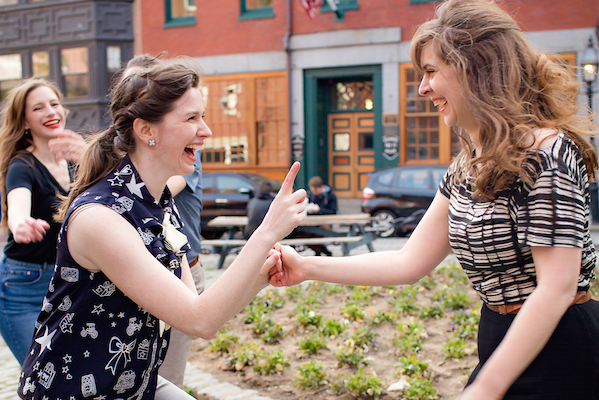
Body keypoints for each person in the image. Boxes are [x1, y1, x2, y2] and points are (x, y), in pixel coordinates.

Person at [269, 0, 599, 398]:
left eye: (430, 72)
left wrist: (487, 386)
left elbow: (557, 287)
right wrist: (307, 267)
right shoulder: (465, 165)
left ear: (475, 69)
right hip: (499, 334)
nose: (423, 88)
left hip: (561, 348)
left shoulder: (545, 151)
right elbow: (408, 262)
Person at [17, 58, 306, 399]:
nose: (206, 131)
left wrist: (263, 272)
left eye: (202, 116)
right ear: (146, 131)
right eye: (191, 118)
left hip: (131, 386)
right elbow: (200, 320)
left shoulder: (158, 201)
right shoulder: (99, 218)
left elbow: (195, 310)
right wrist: (267, 231)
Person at [123, 53, 205, 388]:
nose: (204, 131)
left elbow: (201, 319)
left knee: (164, 381)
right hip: (133, 276)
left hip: (182, 267)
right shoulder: (105, 202)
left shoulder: (180, 157)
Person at [0, 77, 86, 365]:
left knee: (71, 371)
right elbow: (17, 205)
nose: (50, 112)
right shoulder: (21, 165)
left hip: (67, 283)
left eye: (54, 104)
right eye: (38, 108)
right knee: (41, 374)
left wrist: (90, 157)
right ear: (24, 121)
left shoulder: (75, 160)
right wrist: (20, 223)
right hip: (24, 286)